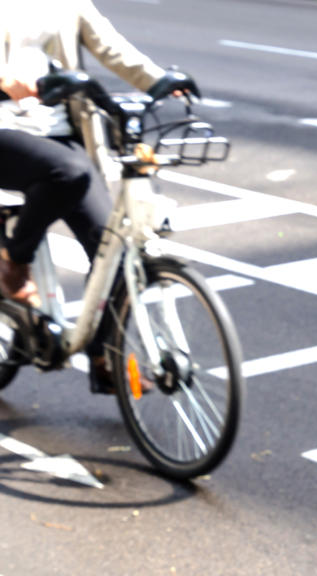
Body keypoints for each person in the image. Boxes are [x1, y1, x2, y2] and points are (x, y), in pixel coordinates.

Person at [0, 0, 169, 392]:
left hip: (58, 131)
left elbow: (110, 46)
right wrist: (6, 81)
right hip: (4, 129)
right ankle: (14, 259)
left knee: (112, 250)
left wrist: (161, 81)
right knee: (69, 173)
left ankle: (103, 356)